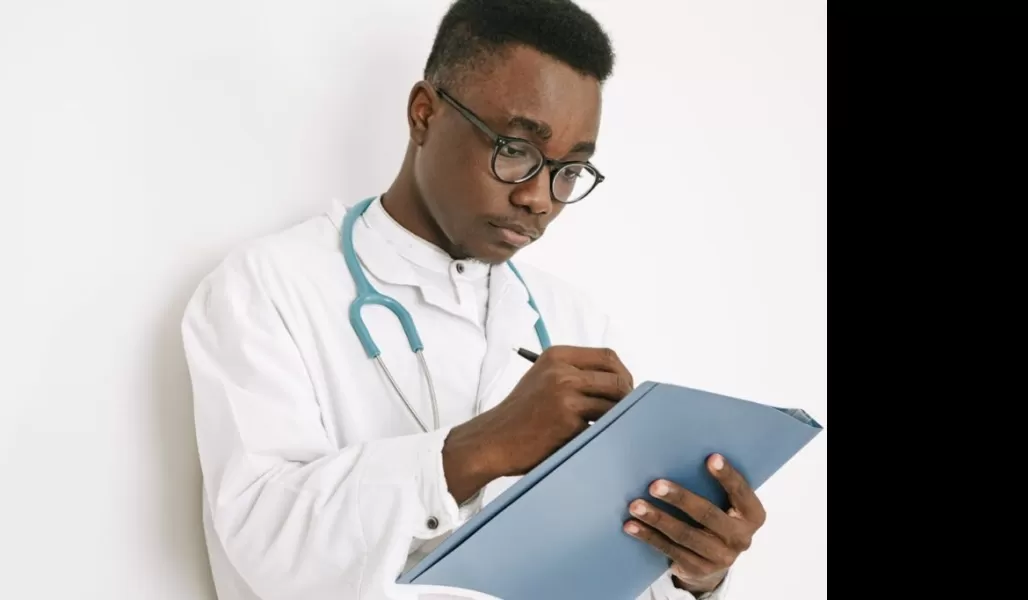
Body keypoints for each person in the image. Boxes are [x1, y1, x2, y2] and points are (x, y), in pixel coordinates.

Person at [180, 1, 769, 598]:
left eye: (570, 170)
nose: (540, 198)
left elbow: (599, 568)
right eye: (515, 149)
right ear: (423, 115)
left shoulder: (573, 321)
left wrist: (694, 571)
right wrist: (480, 448)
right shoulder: (268, 287)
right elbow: (263, 541)